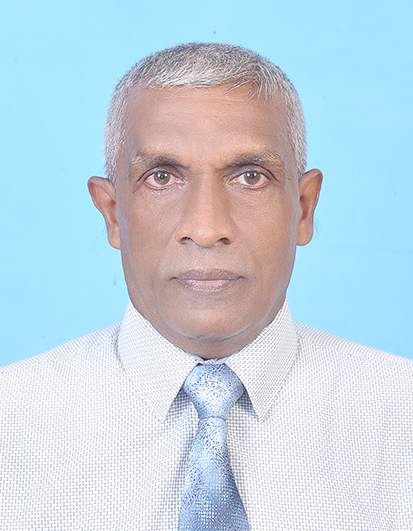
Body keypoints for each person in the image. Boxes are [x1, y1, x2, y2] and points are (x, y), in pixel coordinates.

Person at [1, 43, 412, 530]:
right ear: (112, 214)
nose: (205, 226)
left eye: (250, 177)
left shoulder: (402, 415)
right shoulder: (11, 424)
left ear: (303, 208)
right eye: (161, 177)